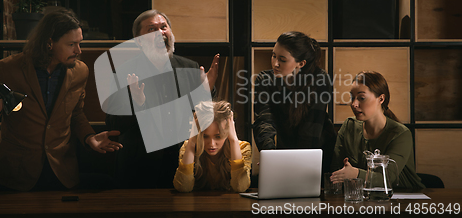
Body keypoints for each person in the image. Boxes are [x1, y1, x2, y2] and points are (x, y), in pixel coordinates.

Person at [0, 9, 122, 192]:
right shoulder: (7, 68)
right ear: (49, 43)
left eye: (79, 43)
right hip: (16, 173)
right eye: (71, 44)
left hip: (61, 172)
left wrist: (89, 137)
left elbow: (76, 113)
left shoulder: (80, 71)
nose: (78, 51)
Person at [105, 9, 220, 188]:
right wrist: (137, 103)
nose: (160, 33)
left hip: (183, 165)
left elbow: (205, 120)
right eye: (152, 29)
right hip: (138, 170)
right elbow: (114, 126)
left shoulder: (190, 68)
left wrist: (206, 92)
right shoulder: (122, 74)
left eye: (164, 27)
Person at [252, 31, 336, 173]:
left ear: (301, 63)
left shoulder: (319, 79)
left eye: (282, 59)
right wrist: (270, 155)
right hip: (284, 153)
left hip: (318, 157)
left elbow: (310, 132)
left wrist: (295, 163)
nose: (275, 63)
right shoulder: (265, 79)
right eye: (273, 56)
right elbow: (264, 120)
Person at [330, 71, 425, 189]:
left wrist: (356, 174)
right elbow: (335, 170)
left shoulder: (401, 134)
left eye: (362, 98)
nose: (354, 104)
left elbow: (388, 178)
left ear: (381, 99)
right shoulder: (349, 126)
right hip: (363, 199)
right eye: (352, 97)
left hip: (404, 199)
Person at [173, 100, 251, 192]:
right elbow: (183, 188)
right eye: (205, 136)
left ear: (228, 132)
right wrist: (192, 141)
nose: (211, 144)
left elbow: (240, 187)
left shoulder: (242, 148)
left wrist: (233, 140)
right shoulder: (189, 147)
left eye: (218, 136)